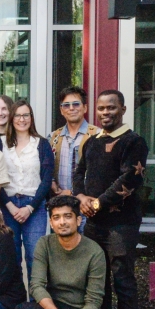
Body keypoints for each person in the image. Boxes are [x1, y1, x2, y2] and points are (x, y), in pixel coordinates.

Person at [73, 89, 148, 309]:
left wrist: (98, 203)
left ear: (123, 110)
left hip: (121, 225)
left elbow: (130, 178)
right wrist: (81, 197)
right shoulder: (92, 141)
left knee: (123, 282)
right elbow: (79, 172)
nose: (105, 113)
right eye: (102, 108)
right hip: (94, 224)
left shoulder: (133, 141)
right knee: (98, 280)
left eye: (111, 108)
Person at [15, 195, 107, 309]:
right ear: (51, 222)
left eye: (67, 216)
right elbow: (37, 286)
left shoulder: (94, 251)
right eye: (56, 217)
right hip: (54, 308)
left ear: (78, 220)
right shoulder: (45, 244)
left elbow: (94, 301)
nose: (62, 222)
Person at [0, 100, 55, 286]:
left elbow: (46, 180)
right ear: (11, 118)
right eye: (17, 115)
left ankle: (36, 300)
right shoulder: (1, 144)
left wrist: (30, 207)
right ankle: (16, 299)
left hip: (35, 206)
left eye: (26, 115)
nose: (21, 119)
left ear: (31, 118)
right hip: (8, 206)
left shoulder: (42, 144)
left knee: (34, 256)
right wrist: (10, 206)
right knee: (11, 257)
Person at [49, 86, 99, 234]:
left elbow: (102, 174)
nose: (71, 108)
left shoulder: (98, 136)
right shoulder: (53, 137)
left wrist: (72, 192)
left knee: (87, 246)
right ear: (61, 110)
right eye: (66, 105)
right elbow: (46, 168)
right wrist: (53, 184)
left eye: (76, 104)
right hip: (61, 207)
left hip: (87, 207)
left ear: (85, 108)